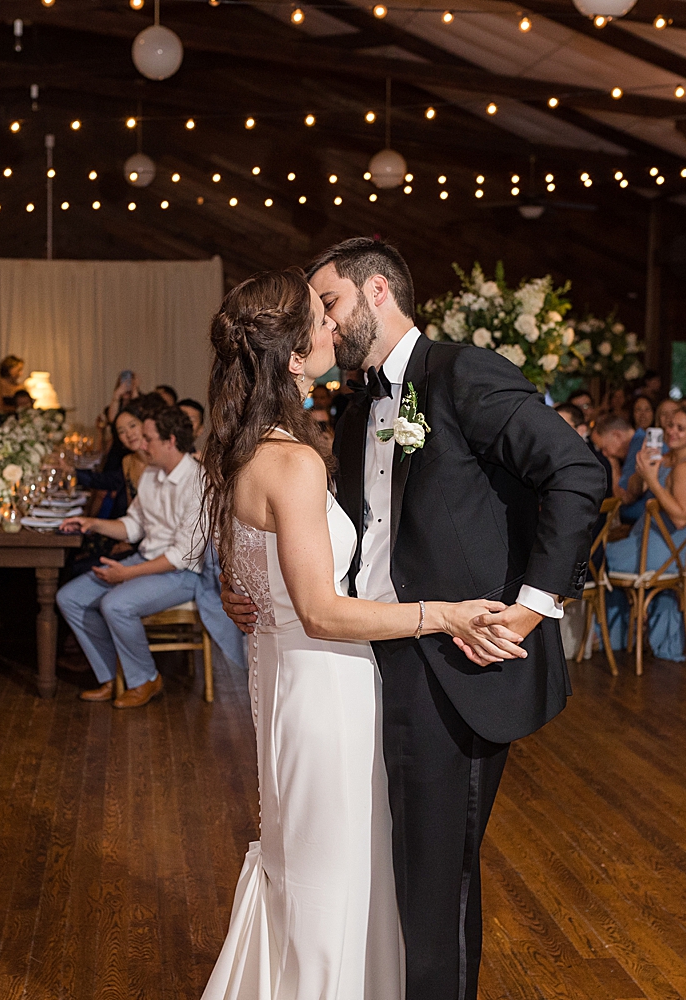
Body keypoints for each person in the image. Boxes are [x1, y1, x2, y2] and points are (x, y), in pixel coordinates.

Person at [218, 242, 605, 1000]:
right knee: (382, 868)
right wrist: (262, 593)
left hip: (458, 663)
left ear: (377, 290)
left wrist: (531, 609)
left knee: (435, 882)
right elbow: (363, 539)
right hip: (371, 658)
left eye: (329, 303)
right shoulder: (358, 407)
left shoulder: (464, 374)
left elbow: (576, 471)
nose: (323, 323)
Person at [56, 407, 222, 708]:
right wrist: (93, 524)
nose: (141, 445)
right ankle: (111, 676)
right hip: (147, 561)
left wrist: (126, 575)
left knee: (116, 604)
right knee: (70, 597)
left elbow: (182, 556)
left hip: (184, 574)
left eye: (148, 439)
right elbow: (133, 527)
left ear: (170, 440)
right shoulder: (151, 475)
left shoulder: (198, 481)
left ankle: (146, 678)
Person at [604, 402, 686, 660]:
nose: (671, 431)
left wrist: (652, 481)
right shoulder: (670, 459)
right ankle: (621, 635)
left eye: (680, 428)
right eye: (670, 425)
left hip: (659, 554)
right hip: (656, 547)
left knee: (594, 560)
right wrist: (643, 469)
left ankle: (607, 638)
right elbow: (629, 495)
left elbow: (682, 517)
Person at [589, 412, 633, 491]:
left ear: (617, 435)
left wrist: (614, 464)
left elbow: (623, 497)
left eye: (604, 448)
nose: (604, 454)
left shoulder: (638, 448)